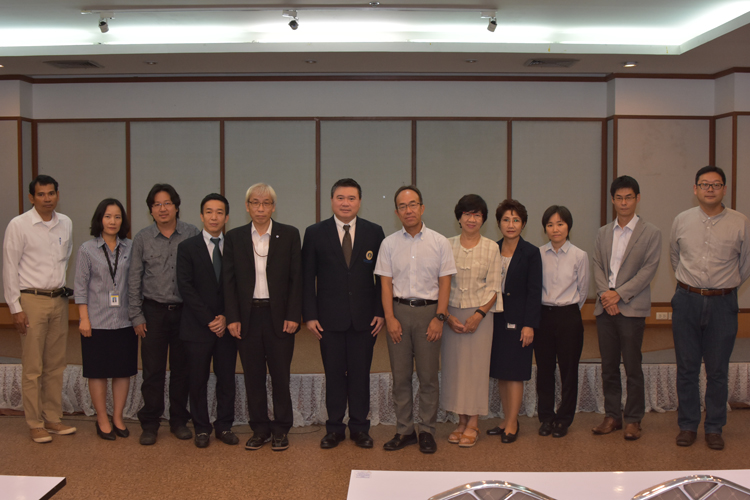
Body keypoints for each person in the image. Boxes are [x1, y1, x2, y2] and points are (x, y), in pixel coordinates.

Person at [670, 165, 750, 451]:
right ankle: (688, 425)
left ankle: (714, 427)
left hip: (723, 303)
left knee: (717, 370)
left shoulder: (740, 222)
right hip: (687, 299)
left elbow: (745, 264)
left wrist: (724, 287)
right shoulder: (681, 220)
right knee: (687, 368)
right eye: (705, 184)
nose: (710, 189)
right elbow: (675, 257)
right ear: (695, 189)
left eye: (716, 184)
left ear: (724, 189)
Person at [302, 178, 385, 449]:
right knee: (334, 375)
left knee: (360, 375)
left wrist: (380, 311)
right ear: (331, 201)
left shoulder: (374, 232)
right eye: (340, 198)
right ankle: (334, 429)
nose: (345, 203)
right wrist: (310, 315)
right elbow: (307, 278)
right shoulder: (315, 233)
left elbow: (383, 278)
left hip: (365, 319)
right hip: (328, 320)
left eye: (351, 198)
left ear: (359, 202)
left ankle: (360, 428)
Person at [374, 185, 456, 454]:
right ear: (396, 211)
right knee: (400, 377)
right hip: (398, 313)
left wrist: (439, 318)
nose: (408, 210)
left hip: (429, 314)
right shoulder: (388, 244)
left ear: (422, 208)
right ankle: (404, 430)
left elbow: (445, 284)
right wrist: (389, 318)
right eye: (402, 206)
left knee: (428, 376)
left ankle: (427, 430)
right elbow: (385, 285)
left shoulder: (439, 242)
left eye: (413, 204)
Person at [224, 183, 302, 452]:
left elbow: (296, 279)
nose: (260, 208)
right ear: (247, 207)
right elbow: (229, 282)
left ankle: (281, 429)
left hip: (279, 317)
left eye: (266, 203)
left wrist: (294, 315)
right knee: (253, 377)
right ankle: (259, 429)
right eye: (255, 203)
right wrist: (232, 317)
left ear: (273, 207)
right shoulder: (234, 237)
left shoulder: (289, 234)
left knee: (280, 376)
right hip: (247, 318)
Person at [3, 174, 76, 443]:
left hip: (59, 300)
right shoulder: (19, 225)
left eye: (51, 193)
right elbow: (9, 267)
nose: (47, 199)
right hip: (31, 300)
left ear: (58, 194)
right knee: (33, 366)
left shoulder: (66, 222)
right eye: (41, 194)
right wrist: (15, 307)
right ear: (31, 198)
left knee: (55, 364)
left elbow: (65, 261)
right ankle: (35, 423)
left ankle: (53, 418)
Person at [128, 183, 200, 446]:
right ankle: (150, 423)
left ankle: (179, 420)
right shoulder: (142, 238)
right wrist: (136, 316)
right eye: (156, 204)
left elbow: (201, 276)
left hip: (185, 313)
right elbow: (134, 279)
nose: (162, 209)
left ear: (176, 206)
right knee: (153, 372)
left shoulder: (192, 233)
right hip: (153, 313)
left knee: (182, 370)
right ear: (151, 210)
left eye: (167, 203)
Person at [592, 176, 661, 441]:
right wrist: (605, 296)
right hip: (605, 308)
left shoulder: (651, 232)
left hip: (631, 308)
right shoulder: (603, 232)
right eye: (619, 198)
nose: (624, 202)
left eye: (629, 197)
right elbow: (597, 266)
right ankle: (612, 416)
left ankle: (633, 419)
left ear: (637, 198)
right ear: (612, 200)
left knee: (633, 366)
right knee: (608, 366)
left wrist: (618, 295)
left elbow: (648, 270)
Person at [176, 193, 239, 449]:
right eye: (209, 212)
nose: (214, 217)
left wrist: (226, 316)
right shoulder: (187, 247)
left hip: (228, 326)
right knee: (197, 380)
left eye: (220, 212)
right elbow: (186, 287)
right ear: (201, 216)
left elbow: (240, 285)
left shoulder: (235, 247)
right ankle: (201, 428)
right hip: (197, 327)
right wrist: (210, 319)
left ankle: (224, 426)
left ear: (227, 217)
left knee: (226, 380)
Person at [441, 194, 502, 448]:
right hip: (451, 315)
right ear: (459, 217)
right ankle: (461, 421)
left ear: (483, 219)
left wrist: (479, 314)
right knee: (455, 369)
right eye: (467, 214)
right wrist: (447, 316)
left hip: (481, 316)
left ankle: (474, 422)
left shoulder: (492, 247)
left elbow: (494, 286)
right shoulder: (446, 245)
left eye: (477, 214)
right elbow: (440, 283)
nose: (472, 219)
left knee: (476, 369)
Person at [74, 198, 137, 440]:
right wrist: (84, 319)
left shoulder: (131, 247)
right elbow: (80, 287)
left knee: (122, 371)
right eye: (108, 216)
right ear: (99, 219)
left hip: (125, 320)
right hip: (96, 321)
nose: (113, 221)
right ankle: (102, 418)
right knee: (97, 372)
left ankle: (118, 417)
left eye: (117, 217)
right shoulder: (87, 249)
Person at [487, 199, 541, 443]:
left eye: (516, 220)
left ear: (523, 224)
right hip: (495, 319)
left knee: (515, 372)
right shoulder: (492, 249)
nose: (511, 224)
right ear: (499, 223)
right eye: (506, 220)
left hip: (520, 323)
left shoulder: (531, 253)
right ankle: (506, 418)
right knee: (501, 371)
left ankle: (512, 422)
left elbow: (534, 292)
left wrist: (529, 324)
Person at [534, 205, 588, 439]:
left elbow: (583, 290)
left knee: (568, 370)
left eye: (560, 224)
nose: (555, 229)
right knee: (544, 370)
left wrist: (568, 310)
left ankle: (564, 419)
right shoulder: (537, 254)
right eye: (550, 224)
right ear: (545, 228)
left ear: (568, 226)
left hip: (569, 316)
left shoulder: (579, 255)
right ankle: (546, 418)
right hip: (543, 316)